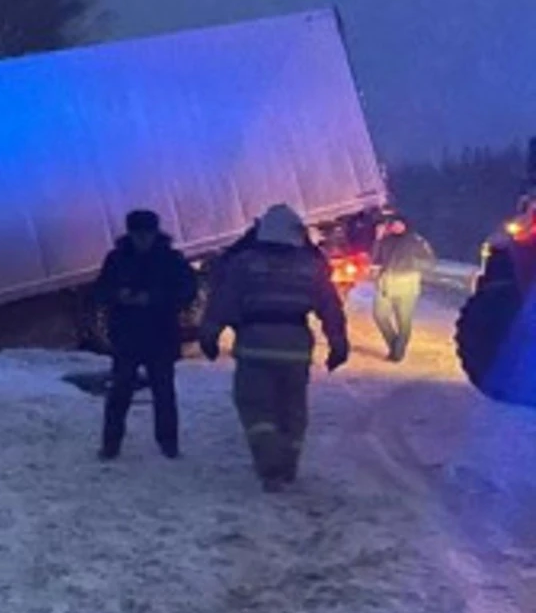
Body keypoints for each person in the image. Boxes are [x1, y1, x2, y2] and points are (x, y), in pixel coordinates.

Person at [198, 203, 349, 493]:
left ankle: (270, 465)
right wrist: (338, 344)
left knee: (256, 406)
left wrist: (210, 334)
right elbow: (331, 308)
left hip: (255, 345)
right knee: (292, 407)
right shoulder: (311, 266)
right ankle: (289, 462)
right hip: (295, 348)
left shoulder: (245, 264)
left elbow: (223, 301)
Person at [91, 209, 199, 460]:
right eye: (138, 235)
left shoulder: (169, 260)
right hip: (131, 334)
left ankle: (168, 444)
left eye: (146, 234)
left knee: (162, 391)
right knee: (122, 391)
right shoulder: (118, 259)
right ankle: (112, 444)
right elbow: (100, 290)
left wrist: (152, 299)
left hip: (157, 333)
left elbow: (186, 291)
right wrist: (118, 295)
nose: (143, 240)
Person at [370, 214, 436, 362]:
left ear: (405, 225)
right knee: (379, 315)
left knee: (403, 321)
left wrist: (412, 265)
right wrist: (378, 239)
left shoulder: (415, 241)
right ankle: (394, 344)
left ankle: (397, 353)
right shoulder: (385, 240)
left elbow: (430, 261)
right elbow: (375, 258)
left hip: (407, 285)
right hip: (386, 284)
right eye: (392, 224)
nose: (395, 227)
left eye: (398, 224)